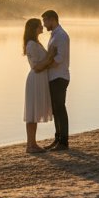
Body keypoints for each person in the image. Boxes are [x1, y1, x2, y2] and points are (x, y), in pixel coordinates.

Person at [23, 18, 57, 154]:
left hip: (40, 79)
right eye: (39, 26)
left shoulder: (36, 43)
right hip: (35, 80)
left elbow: (43, 63)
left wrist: (49, 58)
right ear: (34, 29)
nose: (42, 27)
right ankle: (30, 145)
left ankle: (32, 143)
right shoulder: (31, 44)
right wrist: (50, 56)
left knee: (35, 112)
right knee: (32, 113)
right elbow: (36, 67)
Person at [42, 9, 70, 151]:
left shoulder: (61, 36)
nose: (44, 24)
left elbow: (60, 58)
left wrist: (45, 66)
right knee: (55, 109)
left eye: (45, 21)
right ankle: (57, 139)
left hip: (60, 77)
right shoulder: (54, 35)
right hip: (54, 77)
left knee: (60, 108)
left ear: (52, 20)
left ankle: (63, 142)